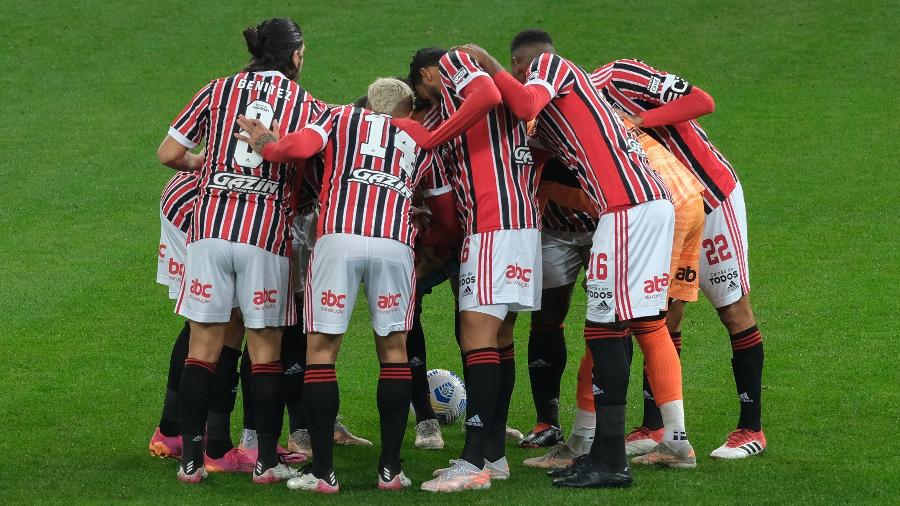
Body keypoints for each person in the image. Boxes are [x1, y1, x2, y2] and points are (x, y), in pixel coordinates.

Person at [460, 29, 691, 487]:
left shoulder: (553, 67)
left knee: (605, 330)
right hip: (639, 207)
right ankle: (603, 454)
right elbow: (526, 155)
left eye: (516, 70)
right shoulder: (554, 118)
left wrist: (487, 63)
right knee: (619, 326)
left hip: (628, 209)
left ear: (524, 66)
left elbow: (525, 104)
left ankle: (610, 461)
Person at [235, 77, 456, 493]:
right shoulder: (421, 137)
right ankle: (391, 471)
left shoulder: (339, 116)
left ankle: (324, 473)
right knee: (394, 352)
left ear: (369, 102)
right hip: (393, 242)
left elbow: (296, 149)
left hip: (338, 240)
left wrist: (266, 143)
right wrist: (430, 247)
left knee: (322, 353)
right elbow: (444, 213)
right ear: (408, 111)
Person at [156, 17, 323, 484]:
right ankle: (266, 461)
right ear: (294, 56)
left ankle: (191, 462)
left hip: (208, 233)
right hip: (264, 237)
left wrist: (203, 164)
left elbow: (168, 153)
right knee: (265, 352)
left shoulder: (216, 89)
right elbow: (316, 163)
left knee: (202, 349)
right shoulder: (305, 103)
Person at [591, 57, 767, 459]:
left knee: (733, 308)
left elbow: (701, 100)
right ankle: (656, 428)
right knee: (660, 313)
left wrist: (637, 121)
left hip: (710, 196)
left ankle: (751, 428)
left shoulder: (620, 76)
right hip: (664, 208)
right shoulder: (581, 115)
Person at [525, 120, 706, 470]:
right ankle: (675, 440)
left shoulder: (543, 131)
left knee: (609, 324)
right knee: (649, 324)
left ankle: (583, 440)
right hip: (684, 196)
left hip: (645, 206)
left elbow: (545, 199)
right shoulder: (596, 111)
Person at [408, 47, 541, 493]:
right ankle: (494, 456)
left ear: (429, 72)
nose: (429, 102)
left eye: (424, 91)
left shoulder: (455, 67)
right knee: (500, 337)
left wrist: (431, 137)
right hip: (520, 225)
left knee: (476, 336)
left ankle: (472, 462)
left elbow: (482, 91)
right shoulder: (468, 107)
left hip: (492, 223)